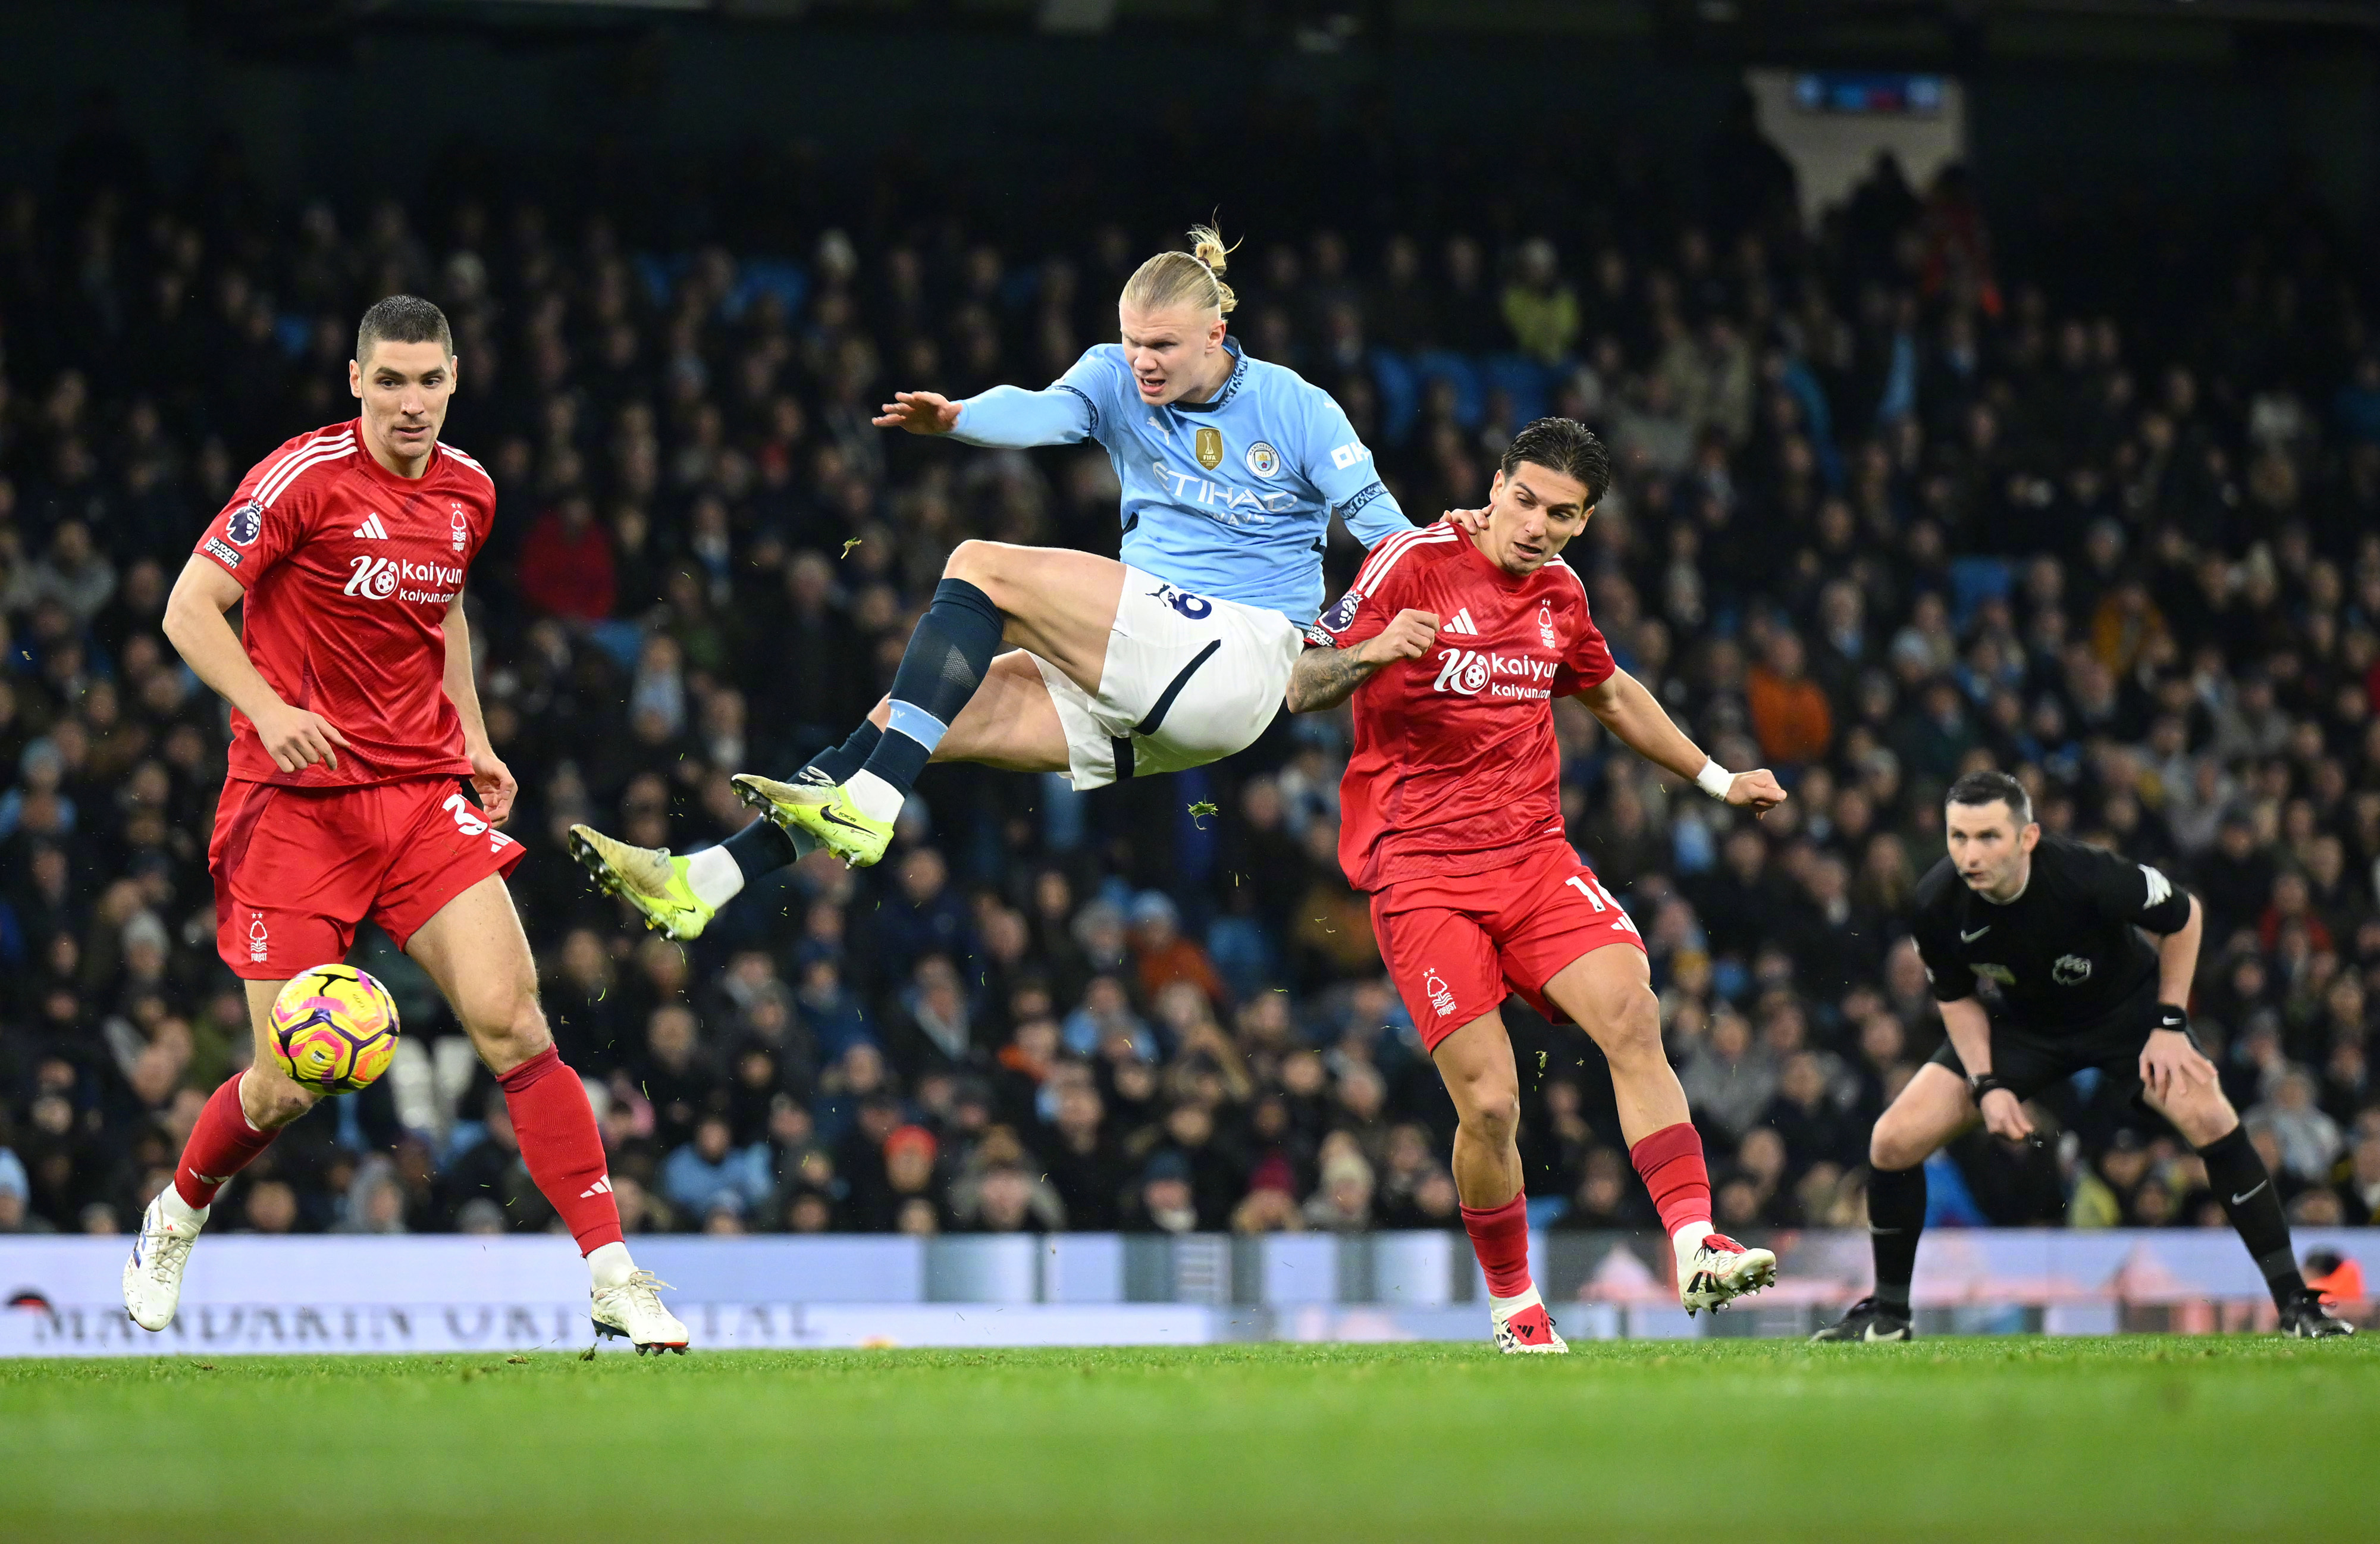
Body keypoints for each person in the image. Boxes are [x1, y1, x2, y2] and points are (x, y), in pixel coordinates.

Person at [570, 224, 1431, 936]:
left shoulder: (1296, 407)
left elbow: (1390, 537)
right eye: (1132, 342)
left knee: (979, 565)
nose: (1142, 362)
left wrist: (1355, 629)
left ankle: (871, 802)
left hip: (1239, 652)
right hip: (1156, 678)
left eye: (1162, 346)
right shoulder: (1114, 376)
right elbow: (1046, 409)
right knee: (911, 717)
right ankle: (702, 882)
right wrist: (960, 418)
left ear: (1216, 334)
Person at [121, 296, 686, 1353]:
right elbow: (187, 609)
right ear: (356, 381)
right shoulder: (301, 478)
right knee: (287, 1083)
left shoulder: (470, 489)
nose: (410, 402)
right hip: (293, 805)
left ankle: (613, 1274)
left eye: (428, 380)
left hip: (420, 795)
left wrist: (472, 734)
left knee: (516, 1024)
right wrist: (270, 710)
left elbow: (445, 608)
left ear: (455, 380)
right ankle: (179, 1213)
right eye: (389, 381)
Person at [1290, 416, 1788, 1353]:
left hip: (1532, 858)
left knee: (1633, 1012)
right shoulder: (1409, 563)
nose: (1536, 525)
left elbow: (1611, 691)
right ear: (1496, 485)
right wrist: (1376, 649)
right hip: (1420, 872)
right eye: (1524, 499)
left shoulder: (1561, 592)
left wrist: (1718, 779)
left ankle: (1696, 1242)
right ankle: (1515, 1304)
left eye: (1561, 513)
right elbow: (1299, 681)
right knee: (1489, 1104)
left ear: (1584, 520)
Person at [1813, 769, 2352, 1342]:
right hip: (2023, 1026)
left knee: (2211, 1119)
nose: (1970, 854)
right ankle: (1889, 1316)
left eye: (1989, 836)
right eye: (1958, 837)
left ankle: (2296, 1304)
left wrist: (2170, 1023)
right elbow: (1955, 996)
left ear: (2027, 838)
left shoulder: (2085, 873)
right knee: (1892, 1140)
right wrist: (1987, 1083)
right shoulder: (1935, 901)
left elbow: (2185, 915)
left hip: (2126, 1016)